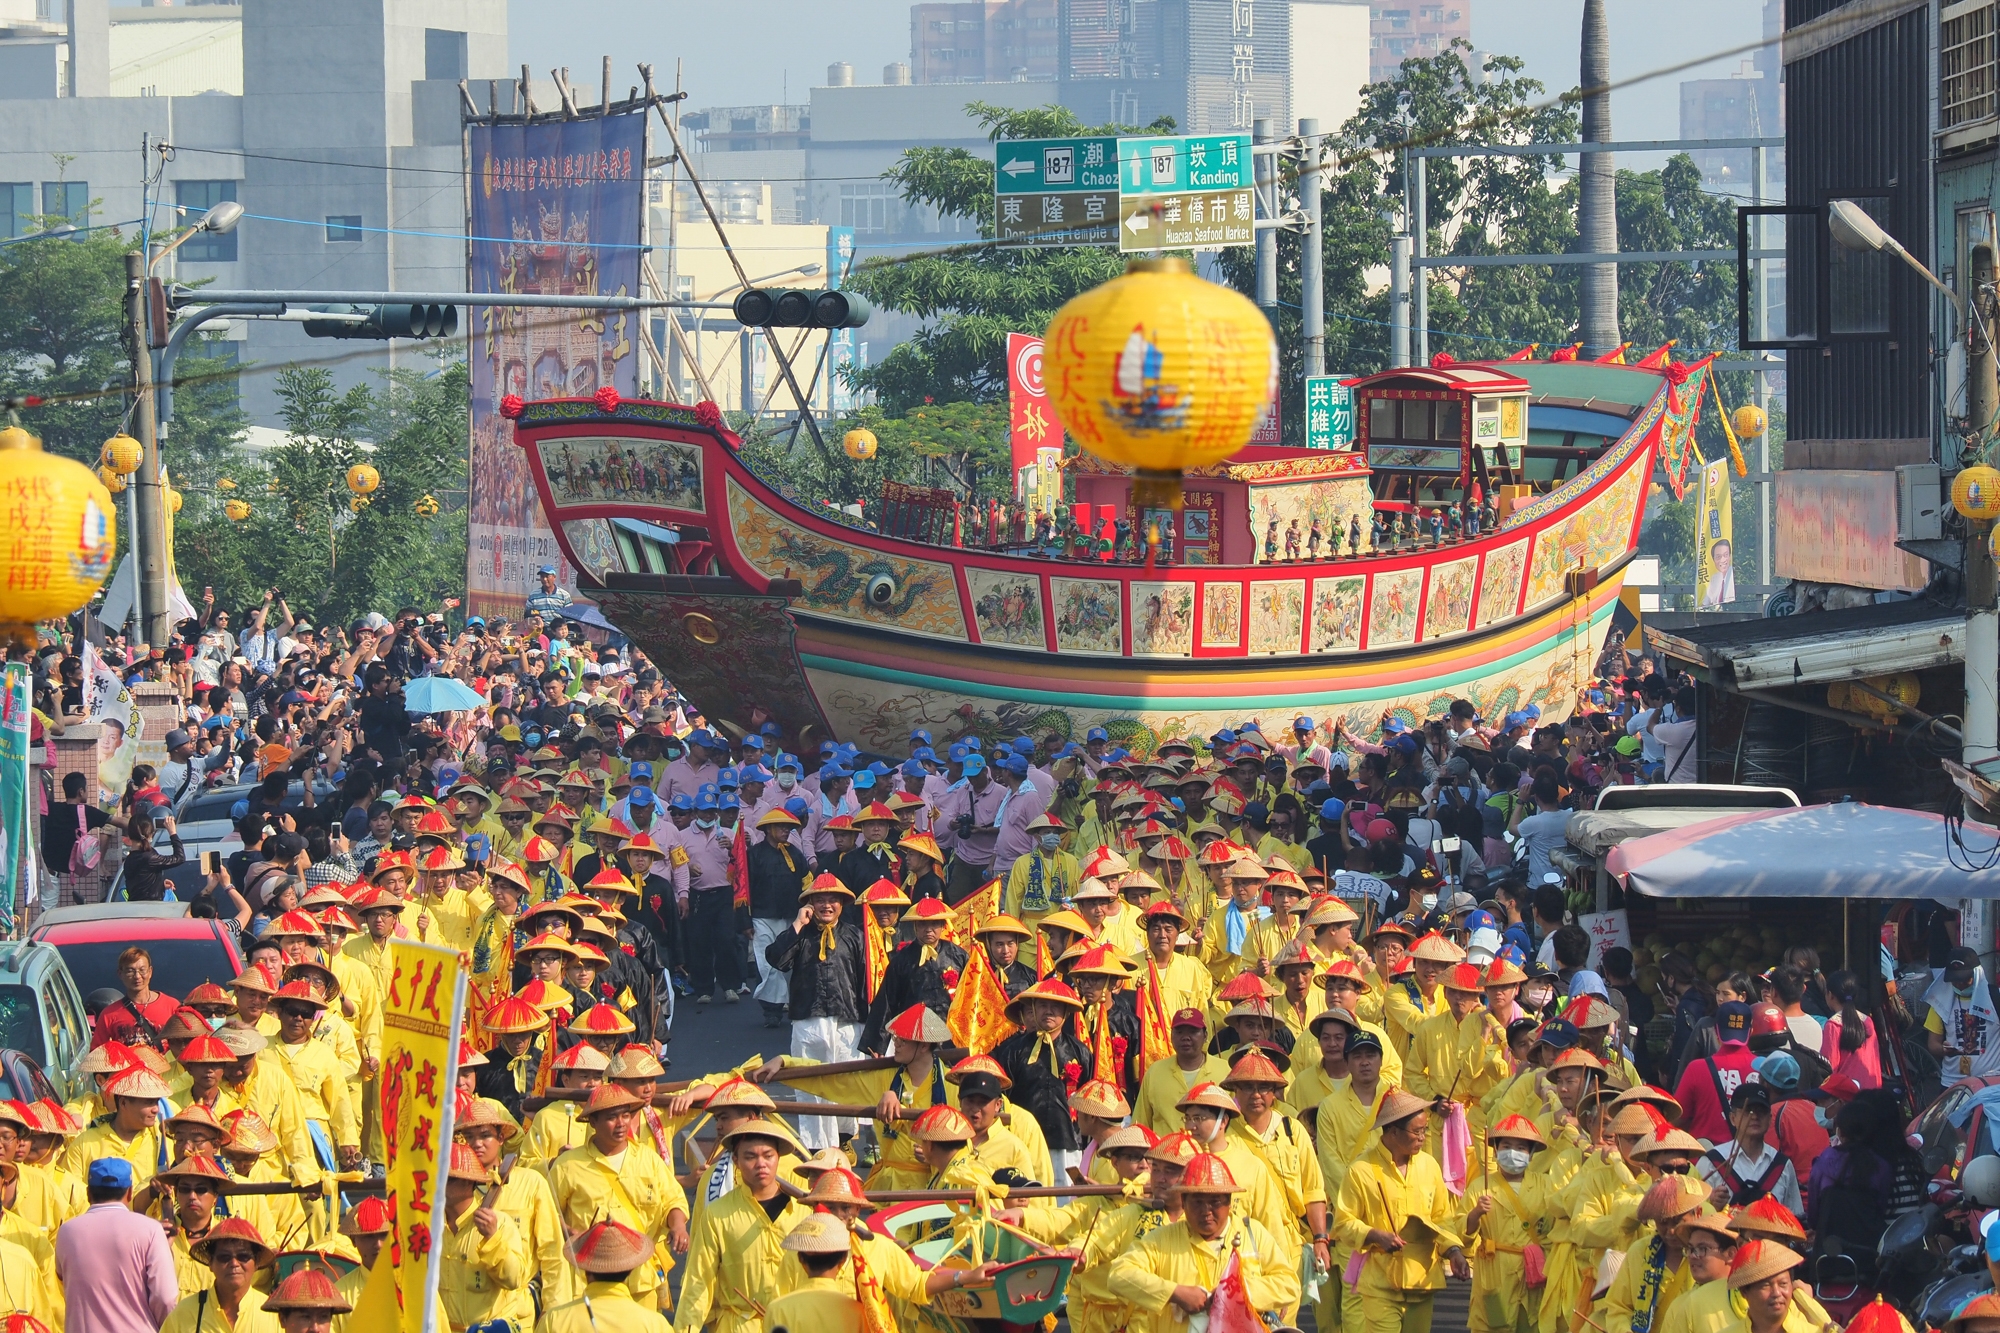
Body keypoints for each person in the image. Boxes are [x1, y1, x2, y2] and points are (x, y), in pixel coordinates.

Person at [1105, 1152, 1302, 1333]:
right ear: (1183, 1202)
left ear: (1229, 1202)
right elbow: (1119, 1275)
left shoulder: (1252, 1232)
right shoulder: (1161, 1239)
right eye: (1197, 1202)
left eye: (1215, 1202)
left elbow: (1288, 1284)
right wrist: (1175, 1292)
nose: (1206, 1211)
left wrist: (1235, 1294)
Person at [763, 874, 867, 1151]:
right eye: (820, 900)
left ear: (842, 904)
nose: (826, 905)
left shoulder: (855, 936)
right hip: (808, 1019)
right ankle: (816, 1148)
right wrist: (798, 924)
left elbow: (865, 982)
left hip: (846, 1021)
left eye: (832, 900)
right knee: (810, 1084)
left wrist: (868, 1025)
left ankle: (843, 1141)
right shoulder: (801, 935)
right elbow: (776, 959)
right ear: (810, 904)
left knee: (844, 1082)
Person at [55, 1157, 178, 1333]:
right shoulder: (151, 1230)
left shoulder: (67, 1232)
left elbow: (62, 1279)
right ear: (129, 1193)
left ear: (88, 1193)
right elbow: (166, 1298)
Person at [158, 1217, 279, 1333]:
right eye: (224, 1257)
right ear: (210, 1263)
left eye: (243, 1256)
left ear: (256, 1263)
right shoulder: (185, 1313)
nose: (234, 1263)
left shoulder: (274, 1314)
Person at [1699, 1082, 1803, 1214]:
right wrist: (1711, 1205)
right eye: (1747, 1111)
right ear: (1733, 1118)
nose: (1754, 1117)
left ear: (1770, 1119)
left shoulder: (1783, 1166)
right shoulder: (1711, 1162)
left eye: (1761, 1111)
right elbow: (1693, 1214)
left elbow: (1795, 1216)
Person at [1925, 947, 2000, 1085]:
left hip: (1990, 1082)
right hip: (1952, 1083)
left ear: (1977, 975)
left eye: (1965, 980)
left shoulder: (1995, 998)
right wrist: (1943, 1050)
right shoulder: (1940, 1002)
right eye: (1955, 980)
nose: (1960, 984)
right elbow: (1933, 1043)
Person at [90, 946, 181, 1049]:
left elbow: (186, 1048)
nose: (137, 976)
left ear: (150, 972)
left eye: (142, 970)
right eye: (130, 971)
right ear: (120, 974)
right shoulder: (109, 1015)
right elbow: (97, 1054)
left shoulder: (172, 1007)